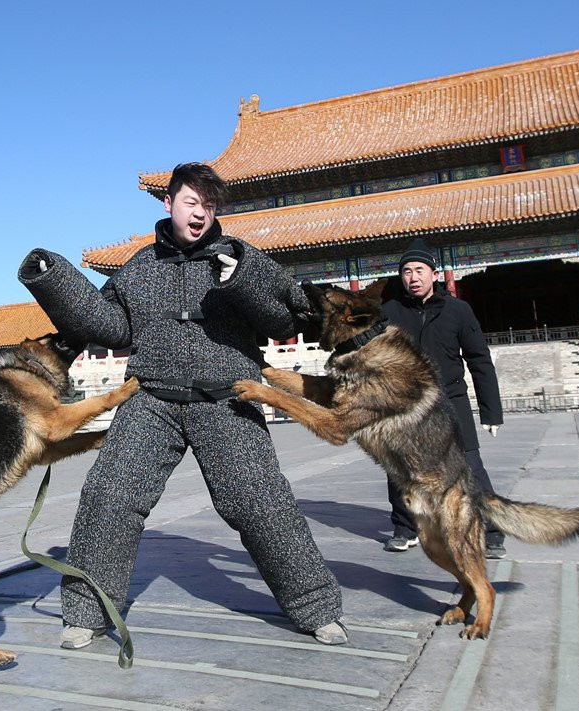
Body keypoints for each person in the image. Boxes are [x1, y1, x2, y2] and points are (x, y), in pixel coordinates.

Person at [18, 163, 347, 648]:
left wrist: (241, 279)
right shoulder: (139, 266)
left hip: (227, 397)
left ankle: (315, 606)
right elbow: (110, 327)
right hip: (150, 399)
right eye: (193, 203)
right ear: (169, 203)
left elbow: (284, 320)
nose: (201, 214)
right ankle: (87, 613)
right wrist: (54, 279)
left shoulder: (242, 257)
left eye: (210, 206)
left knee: (259, 502)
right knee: (109, 495)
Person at [380, 238, 507, 559]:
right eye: (406, 271)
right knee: (399, 471)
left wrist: (492, 412)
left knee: (470, 469)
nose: (413, 277)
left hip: (451, 402)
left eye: (419, 270)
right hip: (406, 406)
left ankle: (491, 530)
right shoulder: (389, 313)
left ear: (434, 275)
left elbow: (479, 359)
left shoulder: (458, 311)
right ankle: (404, 528)